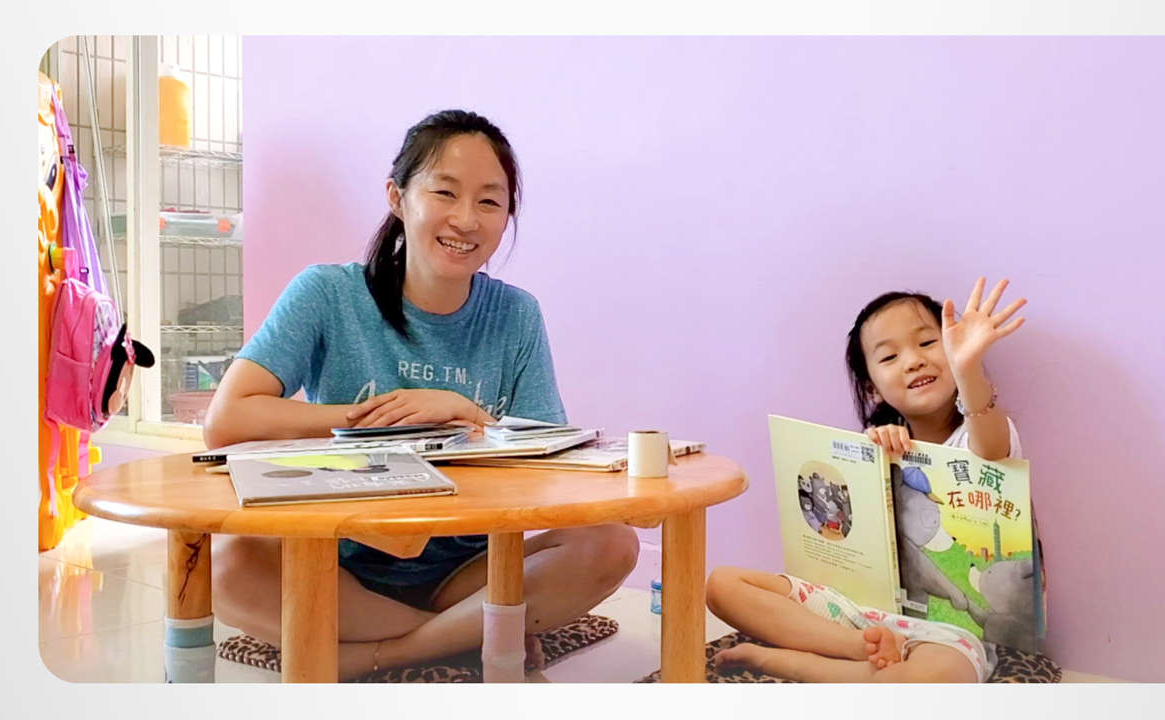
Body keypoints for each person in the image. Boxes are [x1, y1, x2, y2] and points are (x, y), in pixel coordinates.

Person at [202, 109, 638, 680]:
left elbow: (552, 459)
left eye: (489, 201)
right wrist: (375, 417)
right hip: (333, 559)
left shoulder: (515, 314)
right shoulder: (327, 293)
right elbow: (227, 420)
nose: (466, 219)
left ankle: (387, 649)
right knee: (225, 567)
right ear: (397, 197)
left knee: (610, 545)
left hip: (468, 568)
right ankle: (468, 635)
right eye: (444, 192)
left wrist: (464, 412)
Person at [705, 278, 1027, 682]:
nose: (913, 361)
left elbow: (991, 449)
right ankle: (857, 649)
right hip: (856, 611)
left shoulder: (983, 436)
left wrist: (969, 371)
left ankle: (786, 662)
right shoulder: (870, 445)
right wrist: (875, 452)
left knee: (922, 683)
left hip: (947, 631)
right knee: (721, 585)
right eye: (890, 356)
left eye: (928, 343)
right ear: (872, 388)